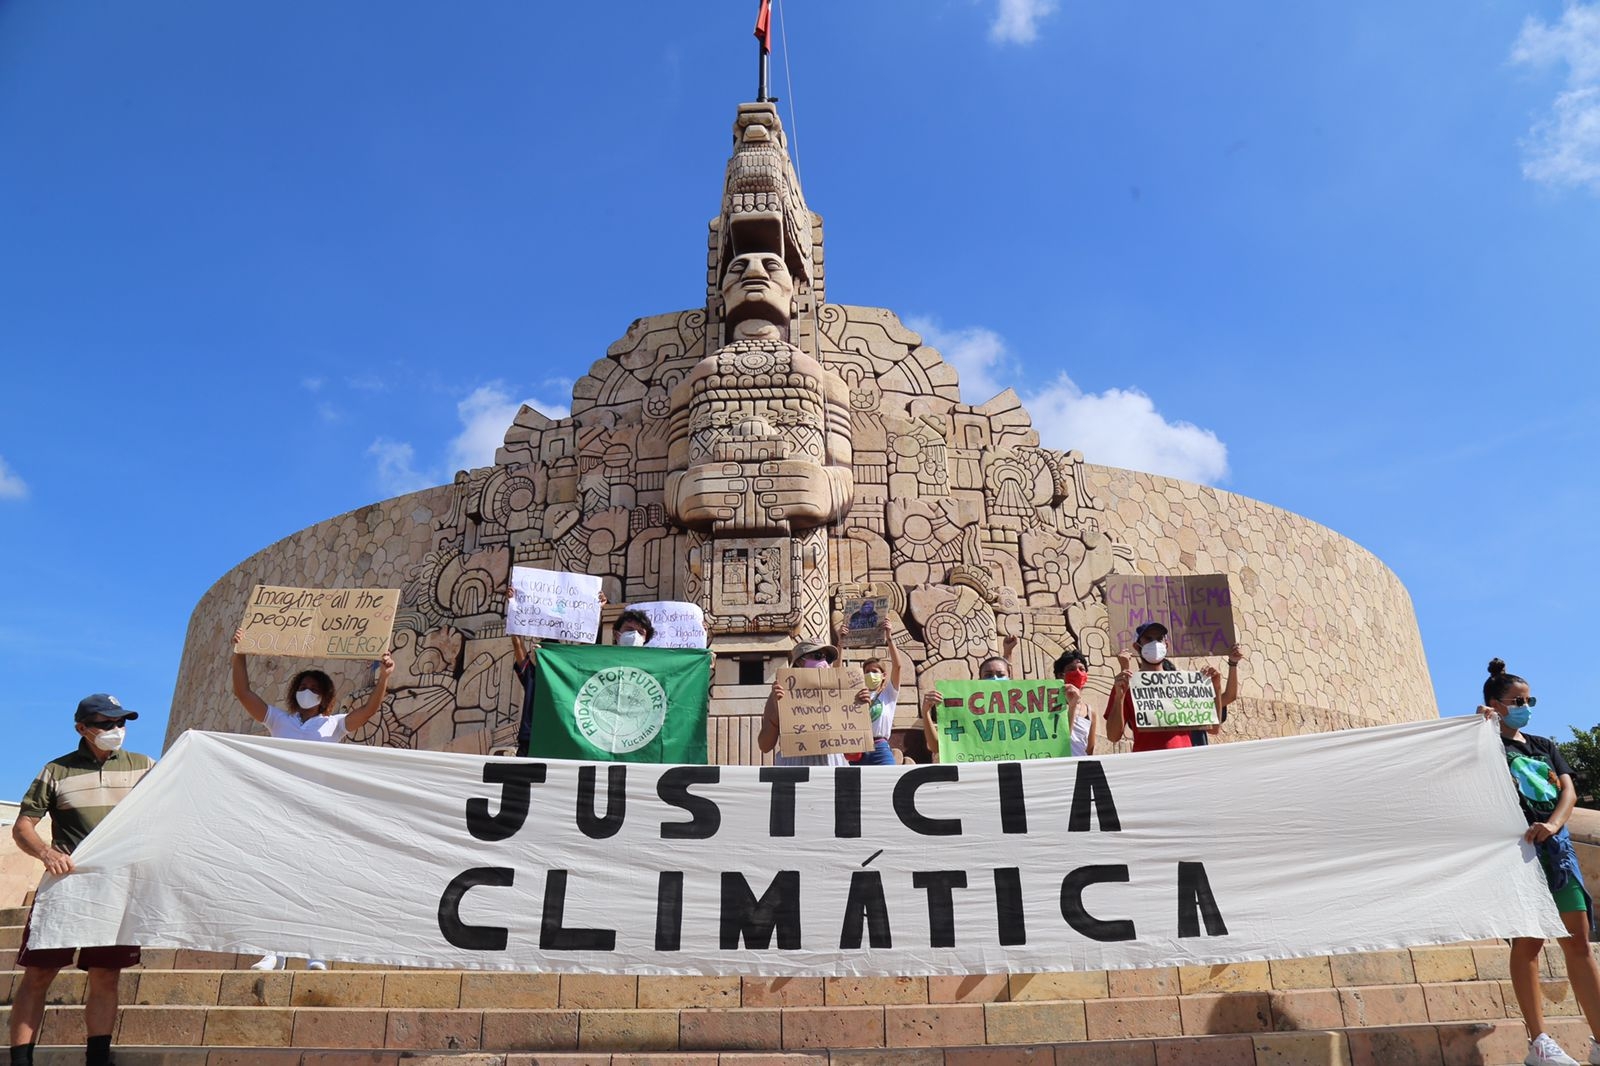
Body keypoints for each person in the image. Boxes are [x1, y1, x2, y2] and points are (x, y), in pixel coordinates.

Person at [231, 630, 395, 970]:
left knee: (315, 879)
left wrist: (384, 678)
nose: (308, 693)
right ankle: (273, 952)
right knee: (276, 878)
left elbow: (369, 710)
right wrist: (240, 653)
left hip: (319, 811)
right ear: (295, 693)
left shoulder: (333, 725)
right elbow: (243, 692)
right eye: (303, 687)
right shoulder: (278, 720)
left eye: (315, 690)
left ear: (325, 697)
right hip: (280, 809)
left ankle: (315, 952)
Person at [10, 694, 155, 1066]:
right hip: (65, 886)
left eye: (121, 723)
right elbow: (23, 825)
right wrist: (45, 853)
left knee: (106, 975)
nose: (116, 730)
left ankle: (98, 1059)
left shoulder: (145, 767)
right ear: (82, 728)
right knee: (40, 974)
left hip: (117, 888)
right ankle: (21, 1060)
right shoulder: (55, 771)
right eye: (106, 724)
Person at [1477, 658, 1600, 1066]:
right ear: (1496, 703)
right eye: (1517, 700)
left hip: (1558, 851)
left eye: (1530, 699)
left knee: (1579, 944)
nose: (1526, 705)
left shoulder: (1544, 745)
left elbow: (1568, 792)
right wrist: (1477, 728)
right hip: (1517, 856)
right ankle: (1539, 1043)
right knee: (1528, 944)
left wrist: (1553, 823)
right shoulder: (1483, 744)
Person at [507, 585, 609, 757]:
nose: (537, 652)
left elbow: (585, 648)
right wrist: (513, 605)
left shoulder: (568, 675)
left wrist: (595, 610)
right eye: (537, 650)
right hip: (531, 739)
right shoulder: (531, 675)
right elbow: (517, 643)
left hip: (561, 738)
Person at [1103, 622, 1223, 753]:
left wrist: (1216, 687)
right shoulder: (1127, 685)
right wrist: (1119, 698)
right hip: (1149, 764)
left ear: (1166, 645)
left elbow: (1214, 728)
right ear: (1137, 647)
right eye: (1148, 639)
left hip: (1185, 761)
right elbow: (1113, 736)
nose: (1155, 643)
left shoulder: (1184, 683)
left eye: (1159, 639)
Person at [759, 640, 870, 767]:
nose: (823, 662)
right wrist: (777, 713)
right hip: (795, 768)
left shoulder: (842, 693)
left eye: (827, 658)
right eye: (817, 656)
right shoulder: (780, 693)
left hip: (832, 766)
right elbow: (764, 746)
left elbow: (853, 754)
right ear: (800, 661)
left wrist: (860, 711)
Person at [918, 637, 1018, 761]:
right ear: (979, 680)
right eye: (988, 675)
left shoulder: (1020, 706)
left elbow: (1007, 686)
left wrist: (1007, 654)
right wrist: (926, 712)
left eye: (1000, 675)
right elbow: (936, 747)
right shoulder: (965, 709)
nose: (994, 679)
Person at [858, 616, 911, 766]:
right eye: (866, 671)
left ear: (883, 676)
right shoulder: (857, 694)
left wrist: (889, 637)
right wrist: (840, 645)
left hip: (880, 746)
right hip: (858, 748)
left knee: (889, 781)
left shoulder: (888, 694)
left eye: (874, 671)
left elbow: (898, 667)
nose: (870, 674)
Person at [1053, 650, 1096, 757]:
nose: (1078, 672)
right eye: (1071, 669)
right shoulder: (1051, 706)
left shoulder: (1090, 712)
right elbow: (1061, 740)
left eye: (1082, 669)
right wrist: (1072, 706)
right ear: (1060, 675)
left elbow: (1089, 749)